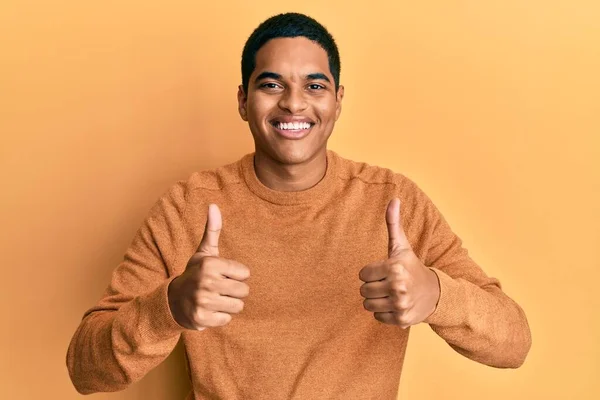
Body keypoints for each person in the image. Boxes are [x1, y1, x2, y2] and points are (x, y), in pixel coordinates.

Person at [66, 12, 532, 400]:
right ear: (243, 102)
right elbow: (84, 371)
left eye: (314, 86)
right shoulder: (187, 206)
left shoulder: (393, 201)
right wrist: (168, 305)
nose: (293, 104)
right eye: (272, 85)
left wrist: (435, 293)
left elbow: (513, 343)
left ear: (337, 101)